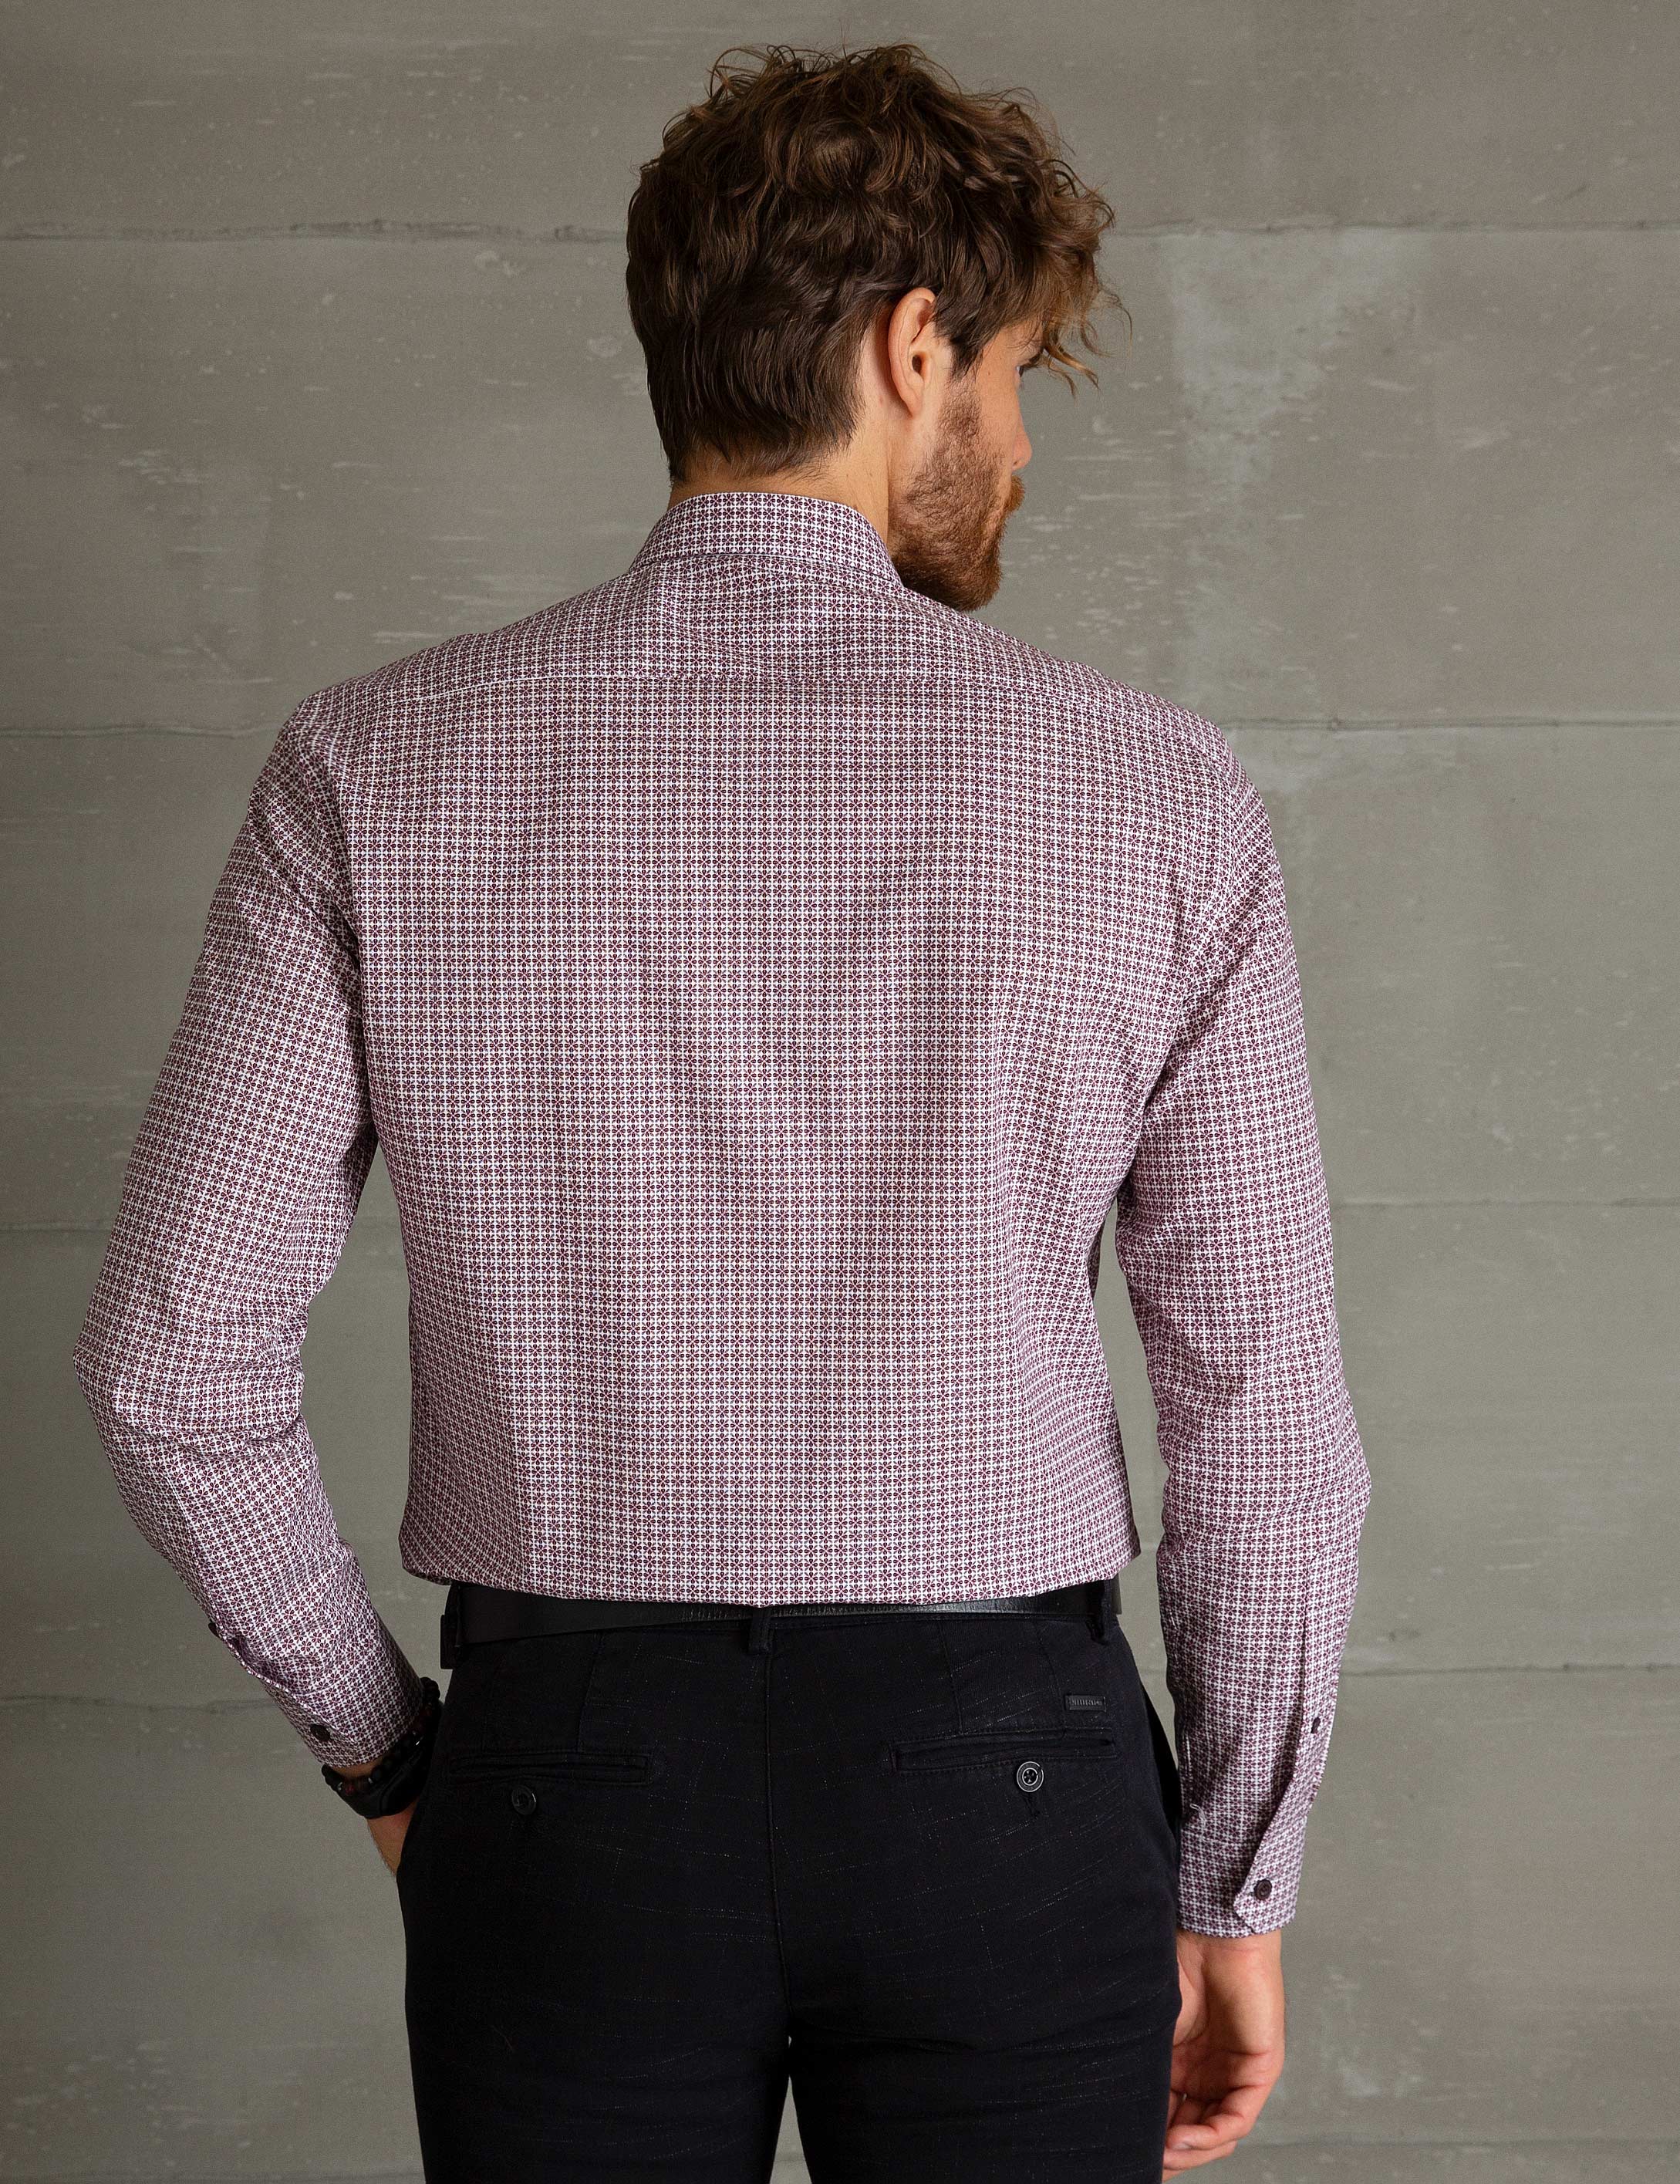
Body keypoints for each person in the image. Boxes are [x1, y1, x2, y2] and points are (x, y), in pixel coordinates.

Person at [73, 39, 1371, 2184]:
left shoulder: (376, 768)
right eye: (1013, 377)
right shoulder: (1149, 792)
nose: (1018, 444)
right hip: (1007, 1791)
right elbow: (1262, 1418)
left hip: (564, 1789)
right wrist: (1237, 1879)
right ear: (913, 348)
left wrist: (394, 1762)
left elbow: (167, 1367)